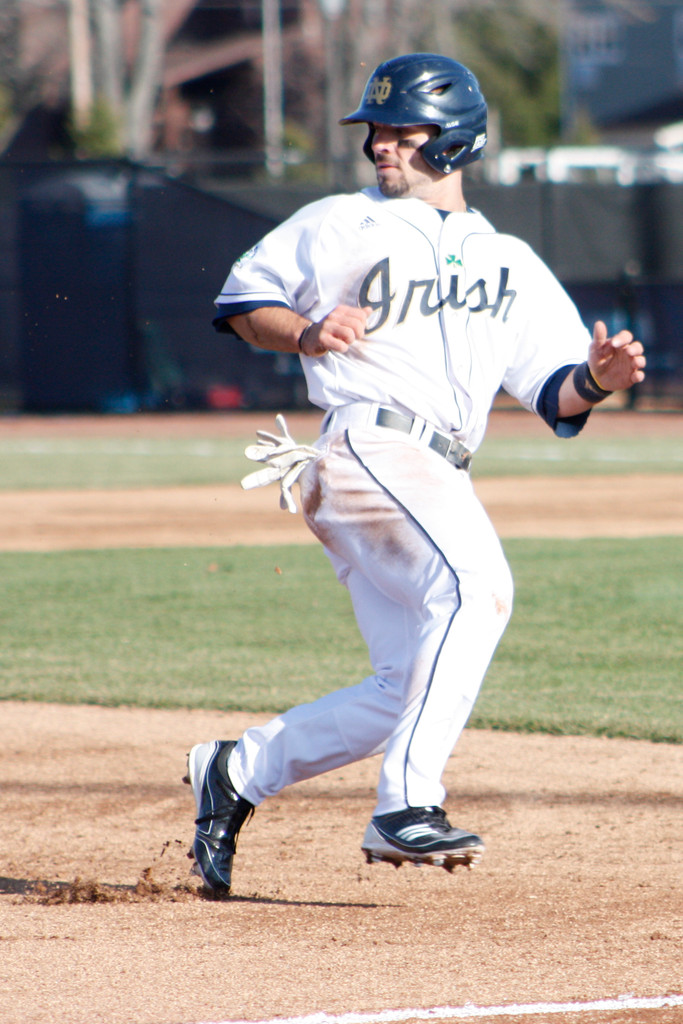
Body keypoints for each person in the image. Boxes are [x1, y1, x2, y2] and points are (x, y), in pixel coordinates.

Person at [186, 53, 646, 896]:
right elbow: (240, 301)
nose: (381, 148)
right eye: (376, 133)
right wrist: (306, 332)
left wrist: (602, 380)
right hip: (368, 444)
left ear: (455, 140)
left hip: (434, 468)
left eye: (402, 132)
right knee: (477, 588)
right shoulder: (338, 223)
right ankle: (406, 804)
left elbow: (554, 389)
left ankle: (236, 771)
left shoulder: (506, 258)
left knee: (404, 684)